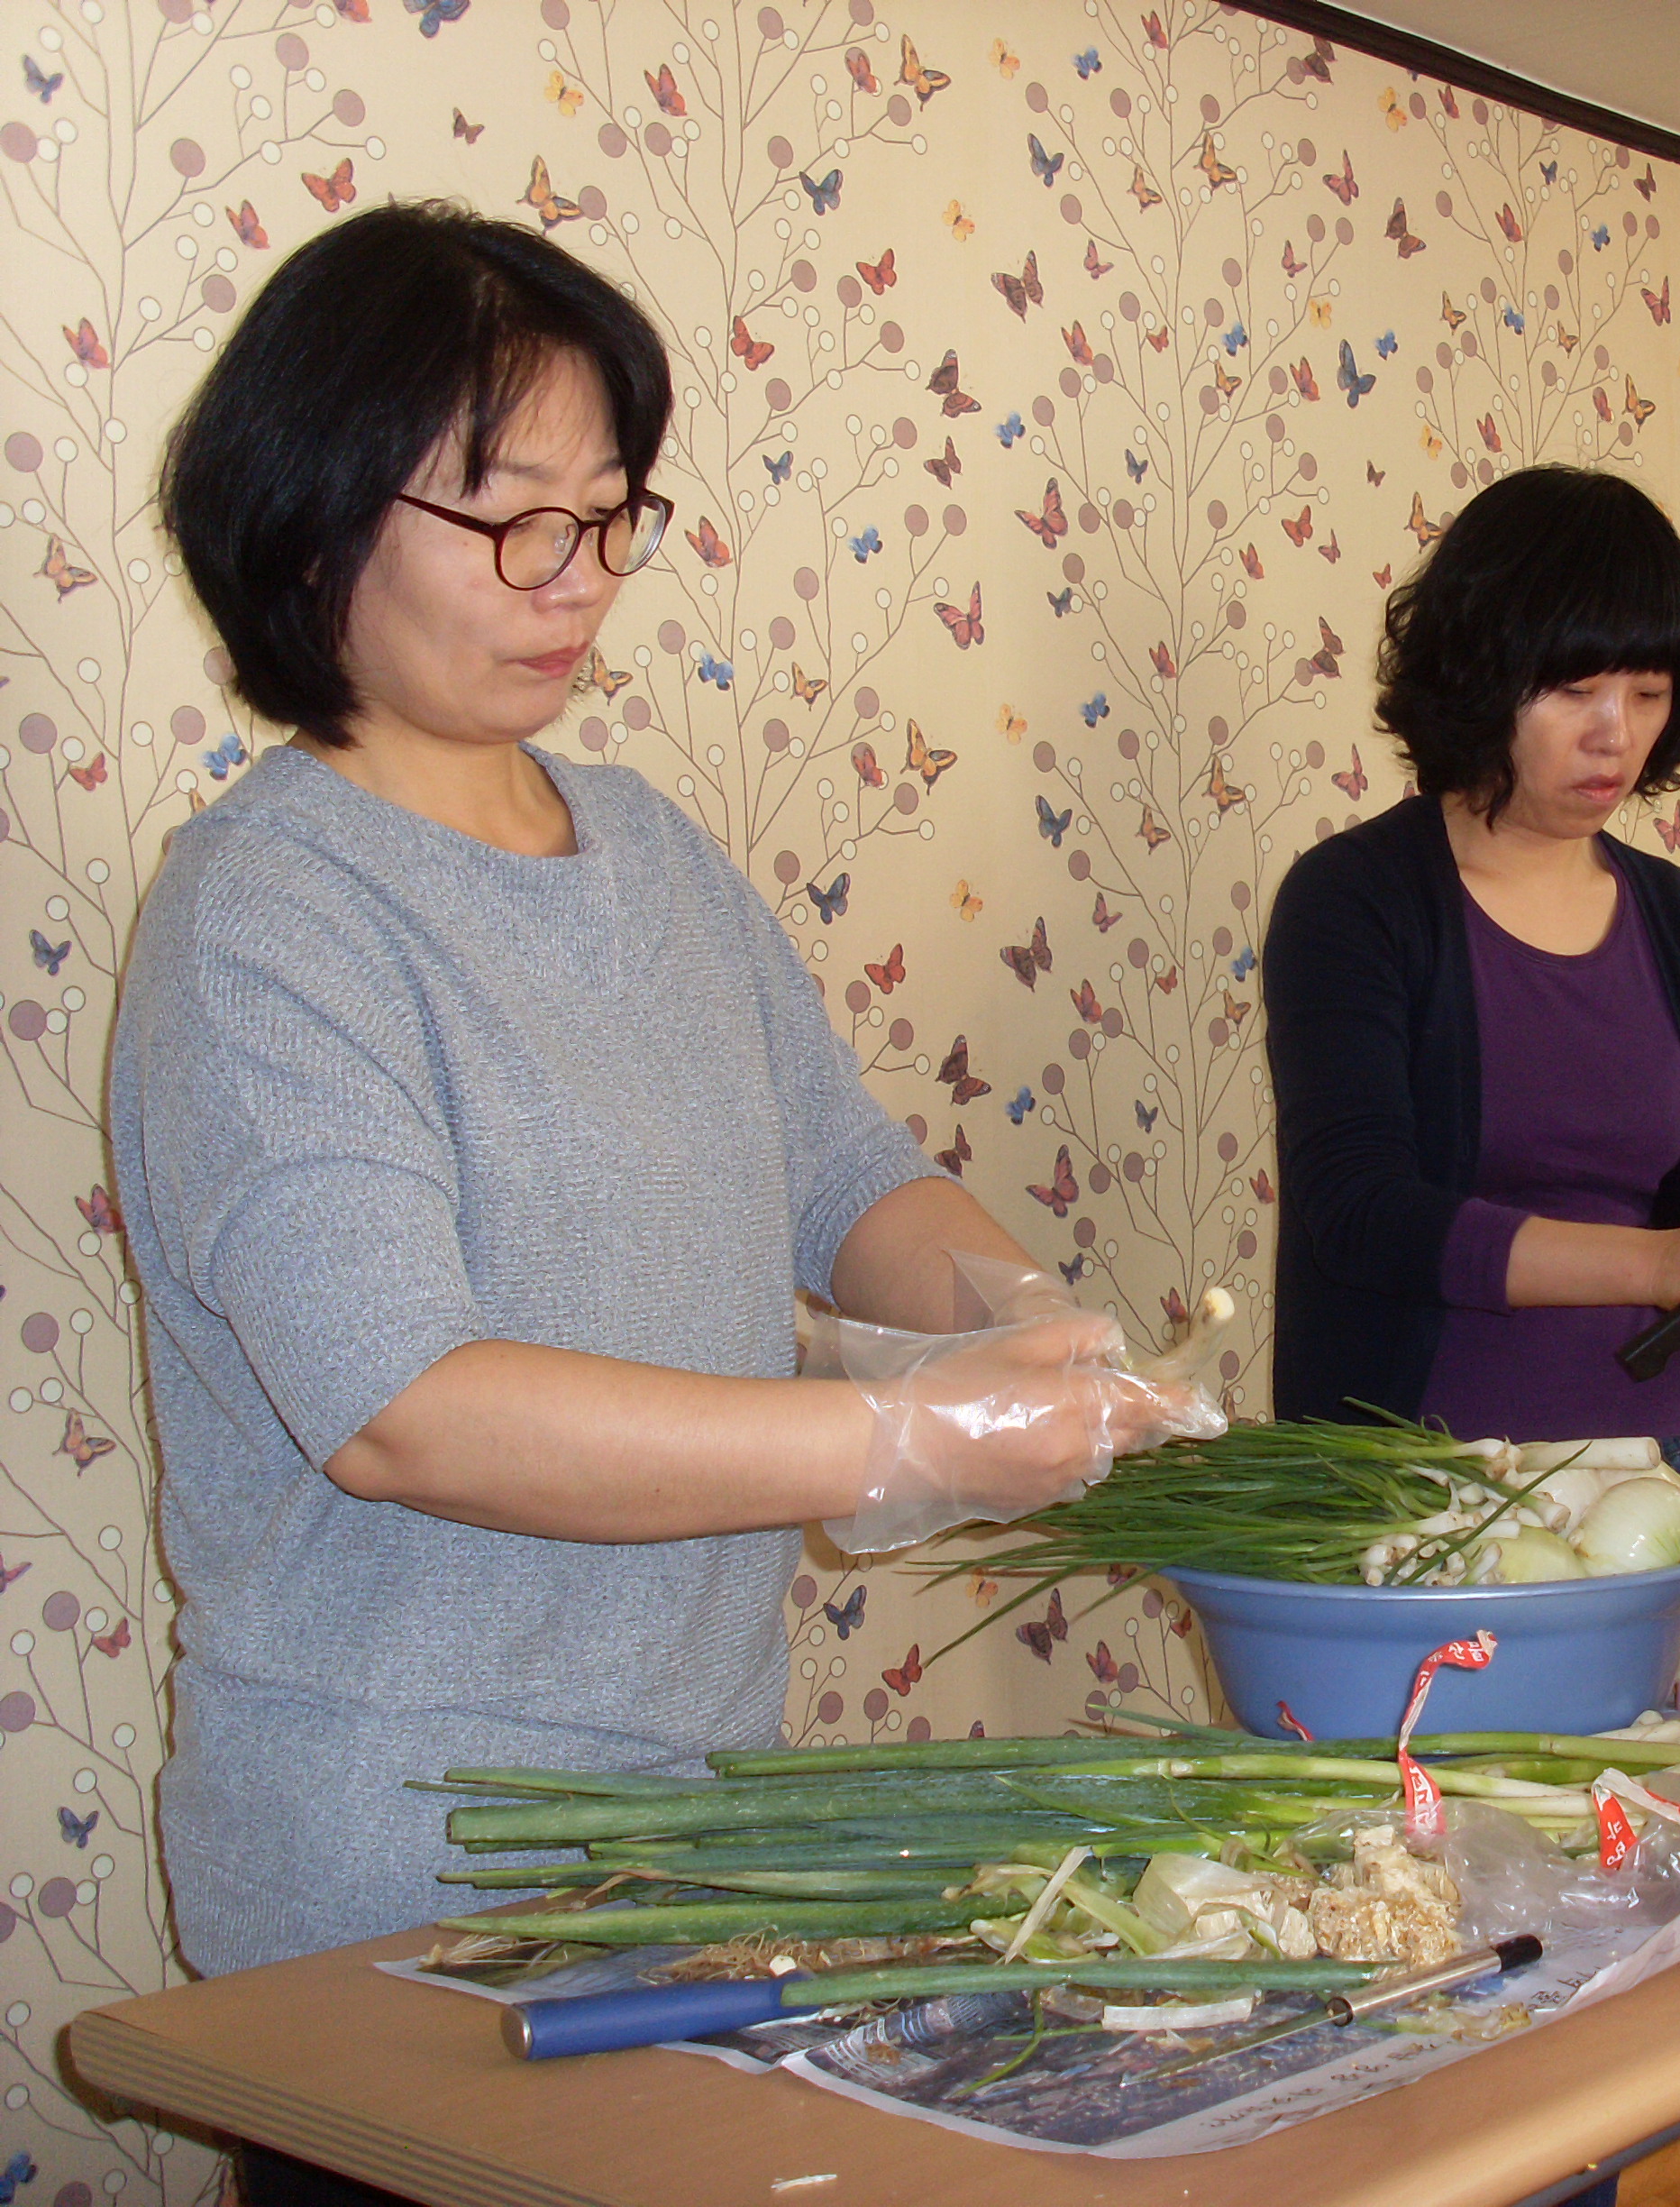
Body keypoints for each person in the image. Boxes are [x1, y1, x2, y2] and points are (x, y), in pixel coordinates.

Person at [116, 204, 1213, 2010]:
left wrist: (1028, 1329)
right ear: (314, 520)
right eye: (514, 516)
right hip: (399, 1858)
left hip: (698, 1820)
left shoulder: (650, 856)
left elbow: (850, 1178)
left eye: (611, 512)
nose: (580, 578)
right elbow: (409, 1411)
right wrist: (909, 1441)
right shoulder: (265, 917)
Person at [1261, 466, 1680, 1509]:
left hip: (1656, 1472)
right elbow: (1363, 1213)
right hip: (1418, 1482)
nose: (1618, 735)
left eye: (1648, 695)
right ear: (1479, 677)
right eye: (1576, 691)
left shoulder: (1679, 918)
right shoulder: (1357, 899)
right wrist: (1666, 1264)